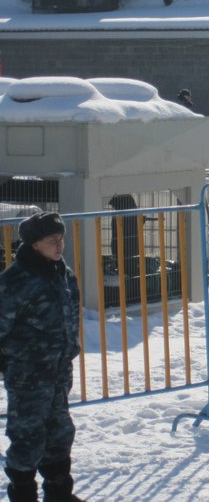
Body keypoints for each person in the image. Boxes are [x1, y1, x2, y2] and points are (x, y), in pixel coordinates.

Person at [0, 213, 85, 502]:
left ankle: (59, 493)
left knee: (60, 432)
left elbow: (71, 314)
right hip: (28, 375)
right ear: (35, 245)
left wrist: (69, 349)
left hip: (59, 370)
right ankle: (23, 495)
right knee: (27, 436)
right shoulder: (15, 281)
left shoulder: (63, 273)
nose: (59, 246)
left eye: (61, 239)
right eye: (52, 241)